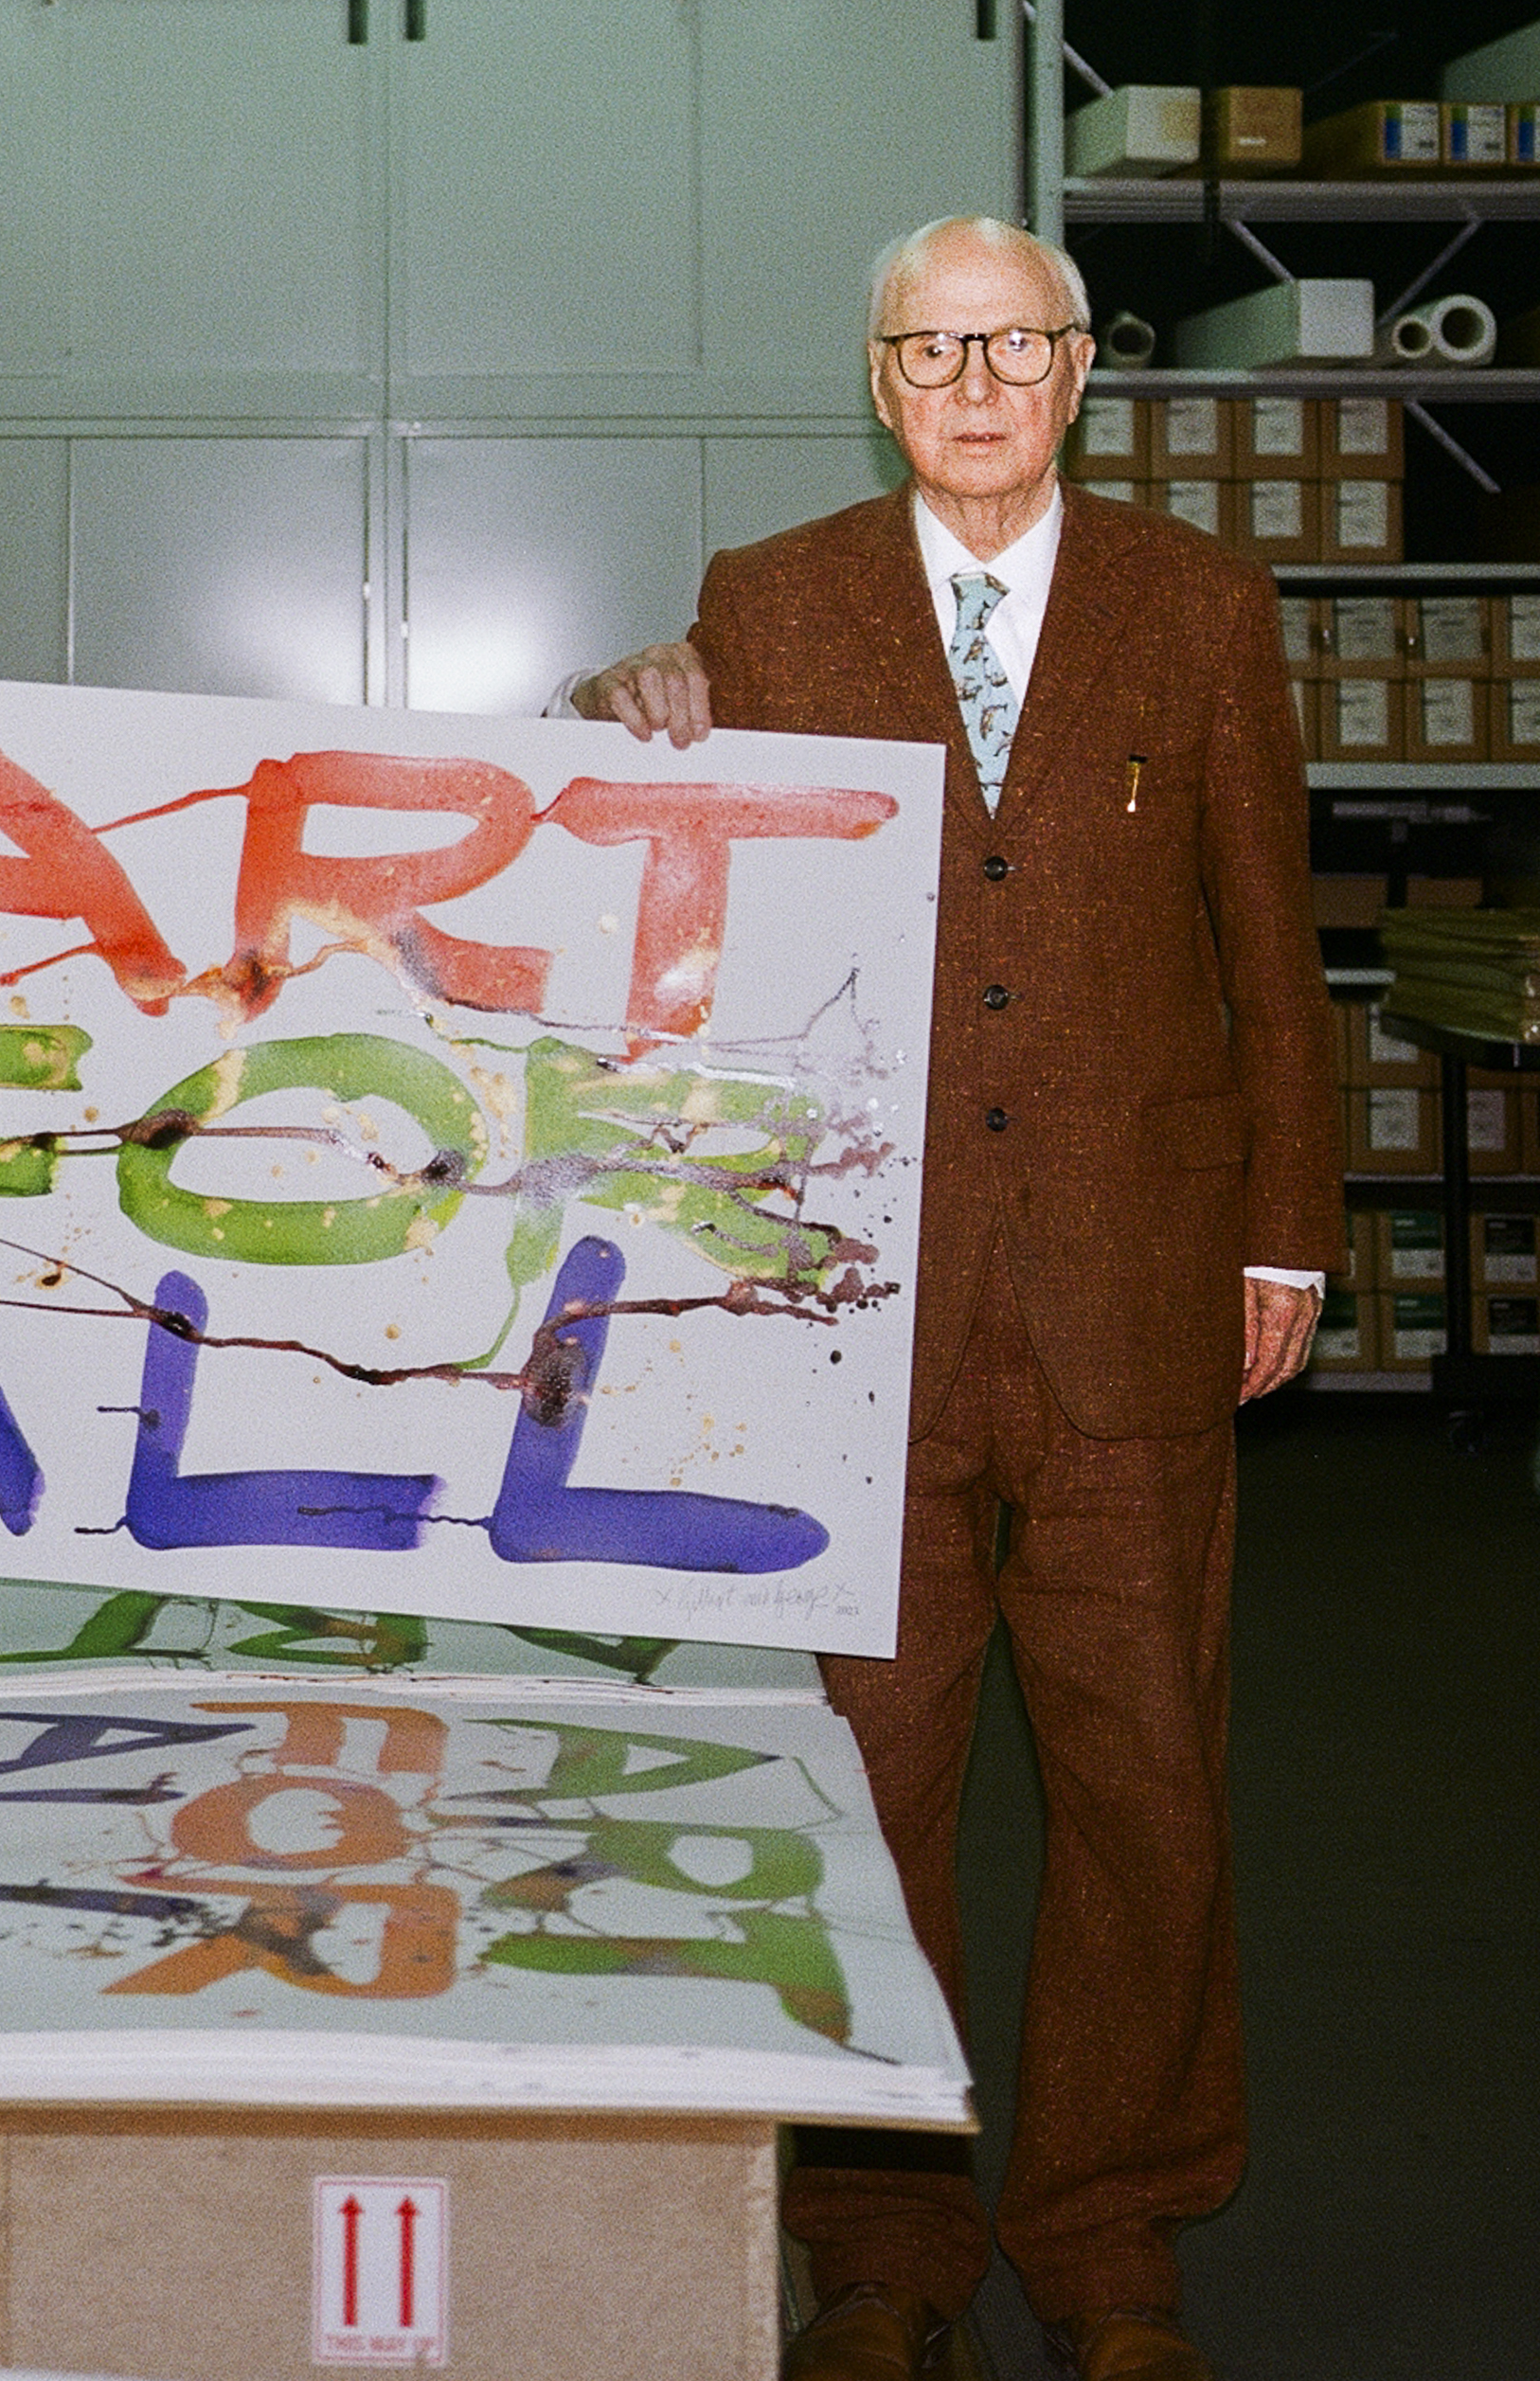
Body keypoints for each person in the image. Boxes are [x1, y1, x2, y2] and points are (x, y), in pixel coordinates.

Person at [571, 216, 1337, 2381]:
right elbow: (653, 829)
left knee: (1147, 1779)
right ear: (879, 376)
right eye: (932, 345)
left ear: (1082, 367)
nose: (975, 376)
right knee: (862, 1786)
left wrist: (1287, 1230)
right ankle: (881, 2239)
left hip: (1135, 1285)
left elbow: (1271, 944)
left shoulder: (1201, 610)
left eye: (1015, 340)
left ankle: (1112, 2238)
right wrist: (614, 710)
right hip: (856, 1297)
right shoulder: (775, 597)